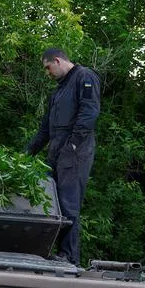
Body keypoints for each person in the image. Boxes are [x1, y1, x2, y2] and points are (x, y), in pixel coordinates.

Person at [26, 48, 101, 266]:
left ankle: (69, 257)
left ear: (57, 61)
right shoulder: (58, 92)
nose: (48, 73)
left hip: (75, 152)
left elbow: (89, 113)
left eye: (48, 68)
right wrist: (27, 154)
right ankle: (53, 252)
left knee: (68, 205)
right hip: (56, 151)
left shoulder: (84, 77)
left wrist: (73, 145)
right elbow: (44, 130)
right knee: (49, 201)